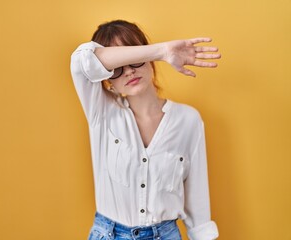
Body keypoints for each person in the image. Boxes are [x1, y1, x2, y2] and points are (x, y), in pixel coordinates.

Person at [70, 20, 221, 240]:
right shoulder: (102, 113)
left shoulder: (188, 120)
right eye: (117, 68)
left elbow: (198, 204)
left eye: (136, 61)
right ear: (107, 80)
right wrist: (163, 50)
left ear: (150, 62)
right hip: (109, 234)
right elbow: (81, 61)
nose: (129, 71)